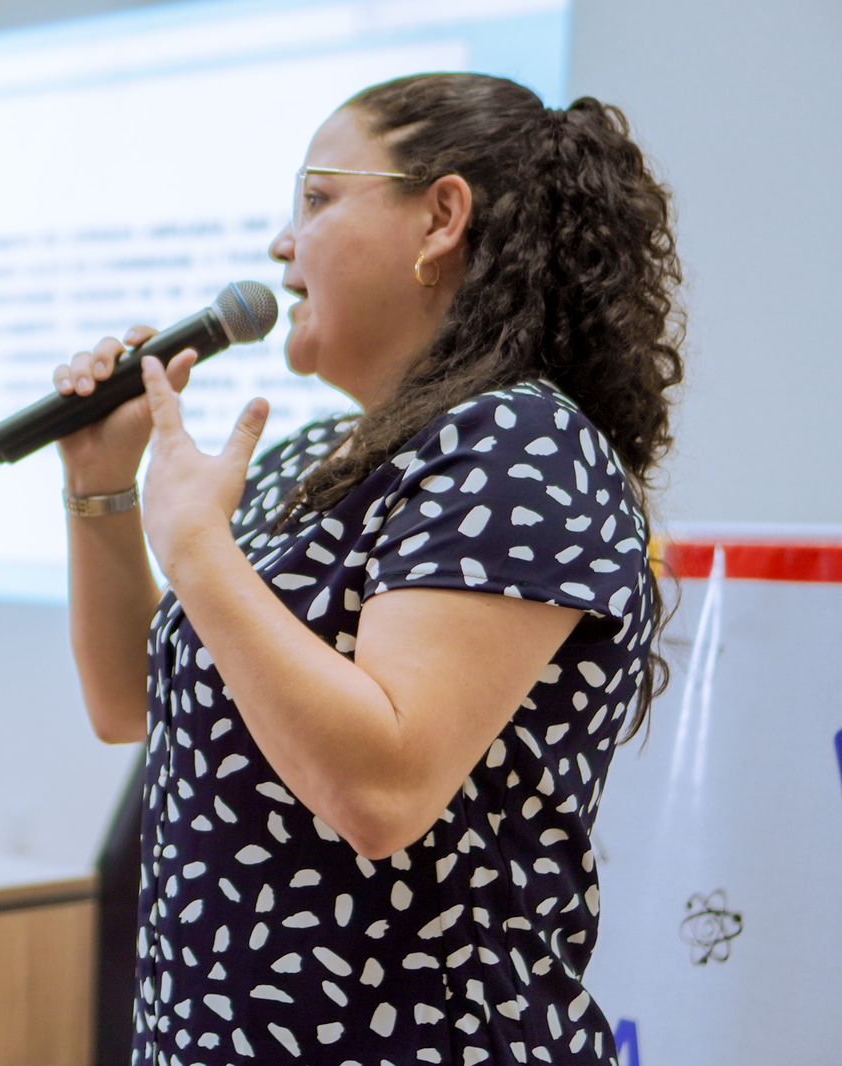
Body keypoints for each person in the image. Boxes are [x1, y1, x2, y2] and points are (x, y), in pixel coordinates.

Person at [55, 73, 682, 1064]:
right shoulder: (311, 459)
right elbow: (130, 706)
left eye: (315, 198)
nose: (278, 244)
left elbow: (382, 790)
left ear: (440, 218)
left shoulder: (519, 443)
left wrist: (198, 553)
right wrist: (102, 493)